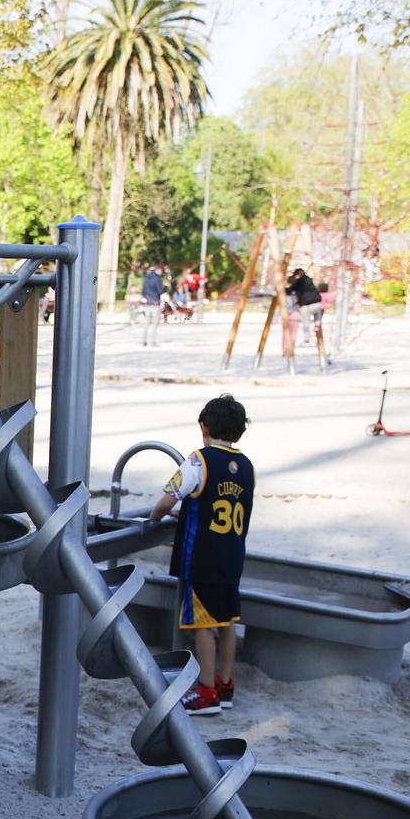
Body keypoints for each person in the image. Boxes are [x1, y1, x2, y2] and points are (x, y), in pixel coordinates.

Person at [149, 395, 255, 716]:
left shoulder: (199, 461)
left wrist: (153, 518)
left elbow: (169, 499)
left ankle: (206, 690)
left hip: (202, 558)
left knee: (202, 626)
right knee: (227, 622)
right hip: (232, 554)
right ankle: (225, 684)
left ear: (203, 427)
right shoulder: (247, 466)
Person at [286, 266, 324, 346]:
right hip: (317, 303)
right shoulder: (310, 281)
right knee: (317, 315)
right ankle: (317, 324)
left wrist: (283, 289)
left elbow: (289, 290)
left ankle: (307, 340)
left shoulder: (299, 282)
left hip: (306, 305)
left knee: (306, 322)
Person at [132, 265, 165, 345]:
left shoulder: (146, 278)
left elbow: (143, 291)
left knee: (146, 323)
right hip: (155, 303)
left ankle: (144, 340)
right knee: (154, 323)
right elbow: (160, 291)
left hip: (147, 303)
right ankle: (152, 341)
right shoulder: (158, 279)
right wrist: (165, 287)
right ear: (159, 270)